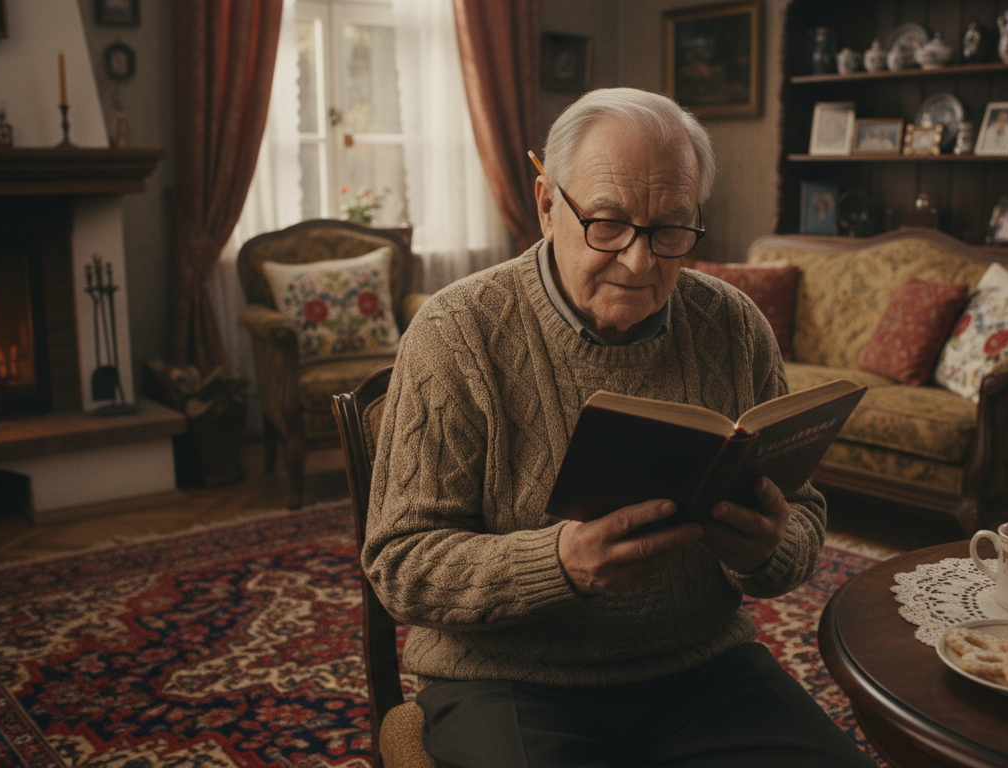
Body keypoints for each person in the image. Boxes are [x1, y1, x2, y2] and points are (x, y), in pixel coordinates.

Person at [362, 87, 875, 768]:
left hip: (705, 672)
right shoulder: (457, 332)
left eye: (671, 229)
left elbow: (804, 514)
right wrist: (560, 565)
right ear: (548, 205)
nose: (639, 261)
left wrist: (765, 549)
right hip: (503, 681)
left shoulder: (734, 324)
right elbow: (400, 565)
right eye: (607, 223)